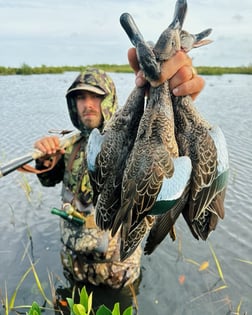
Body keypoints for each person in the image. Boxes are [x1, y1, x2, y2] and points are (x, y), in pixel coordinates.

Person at [34, 48, 204, 289]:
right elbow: (49, 180)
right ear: (73, 104)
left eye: (95, 97)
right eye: (81, 98)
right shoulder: (69, 146)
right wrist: (44, 160)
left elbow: (159, 147)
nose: (88, 105)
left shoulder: (136, 142)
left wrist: (175, 102)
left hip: (118, 273)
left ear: (110, 99)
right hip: (74, 267)